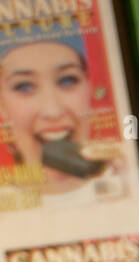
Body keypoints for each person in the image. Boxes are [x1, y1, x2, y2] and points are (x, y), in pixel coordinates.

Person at [0, 21, 125, 210]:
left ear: (89, 88)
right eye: (24, 86)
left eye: (67, 80)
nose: (53, 111)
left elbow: (132, 120)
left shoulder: (127, 181)